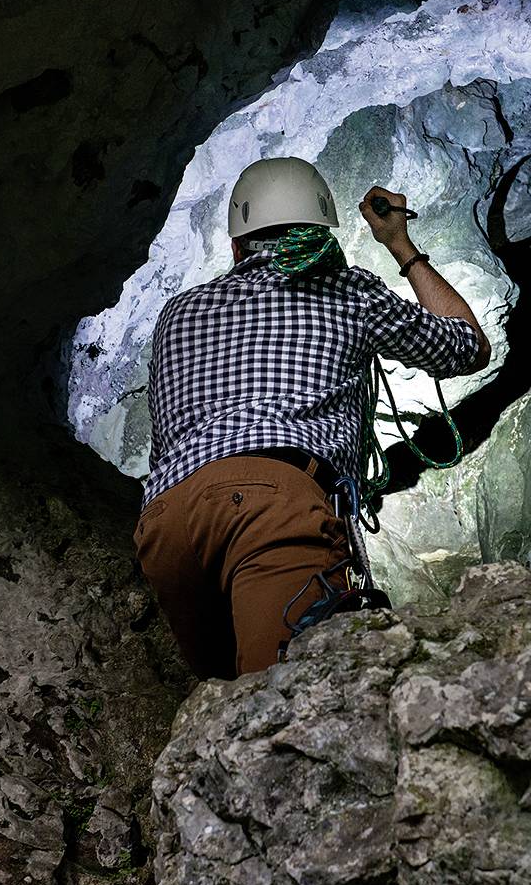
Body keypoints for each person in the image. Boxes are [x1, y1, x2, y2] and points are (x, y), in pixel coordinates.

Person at [132, 156, 490, 679]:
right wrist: (400, 246)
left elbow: (166, 436)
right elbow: (467, 348)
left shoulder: (178, 313)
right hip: (269, 507)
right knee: (281, 703)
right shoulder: (348, 292)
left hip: (166, 523)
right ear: (321, 232)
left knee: (215, 711)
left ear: (237, 245)